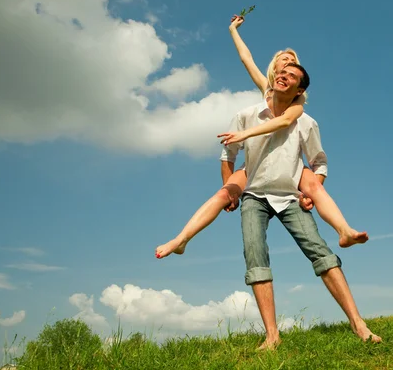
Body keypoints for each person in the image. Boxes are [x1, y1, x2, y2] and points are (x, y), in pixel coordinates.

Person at [154, 15, 367, 259]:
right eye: (283, 61)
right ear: (275, 68)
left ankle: (344, 230)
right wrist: (233, 29)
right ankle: (181, 240)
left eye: (293, 63)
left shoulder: (297, 102)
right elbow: (246, 58)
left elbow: (286, 122)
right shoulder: (267, 89)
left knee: (314, 187)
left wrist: (306, 194)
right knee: (222, 194)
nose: (287, 64)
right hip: (257, 163)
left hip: (289, 164)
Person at [223, 63, 381, 349]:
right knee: (255, 257)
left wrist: (312, 188)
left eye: (292, 76)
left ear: (300, 90)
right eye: (282, 73)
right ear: (273, 79)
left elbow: (319, 162)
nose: (284, 76)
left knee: (320, 251)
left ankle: (359, 325)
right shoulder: (246, 115)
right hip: (254, 197)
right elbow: (228, 153)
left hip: (290, 197)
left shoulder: (306, 122)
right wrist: (231, 191)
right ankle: (272, 336)